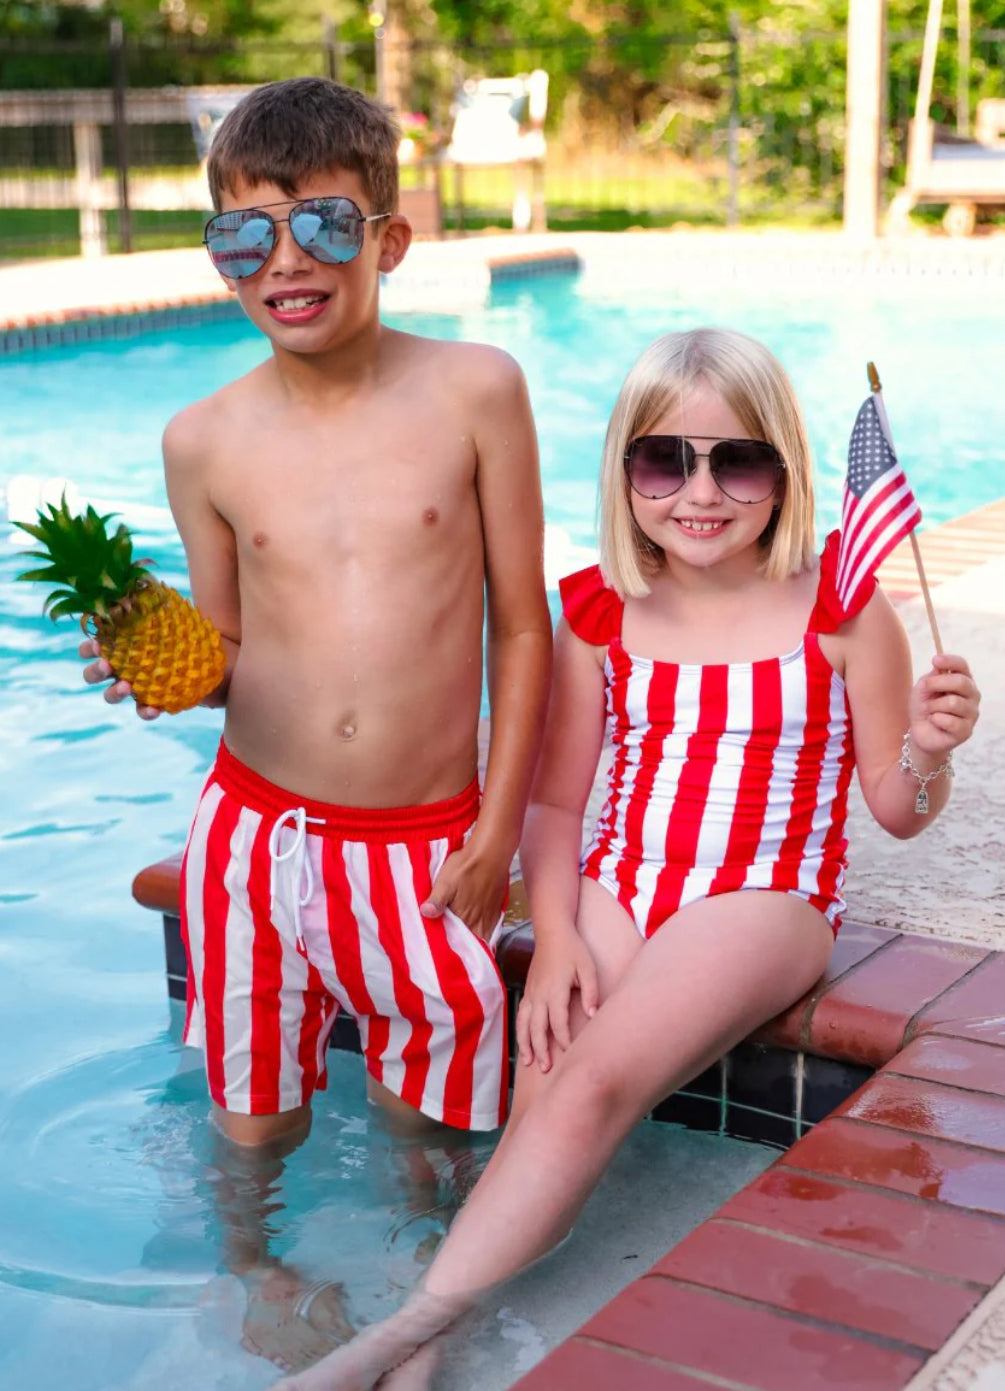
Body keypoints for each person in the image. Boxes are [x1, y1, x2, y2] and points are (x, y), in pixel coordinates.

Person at [272, 326, 981, 1391]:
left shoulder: (838, 605)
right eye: (665, 459)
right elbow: (559, 800)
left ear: (783, 471)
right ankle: (423, 1358)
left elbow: (897, 807)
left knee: (597, 1076)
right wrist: (555, 934)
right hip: (624, 880)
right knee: (544, 1075)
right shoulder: (601, 612)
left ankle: (384, 1342)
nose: (700, 491)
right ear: (626, 472)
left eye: (736, 459)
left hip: (763, 892)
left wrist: (927, 750)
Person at [79, 75, 552, 1370]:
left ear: (390, 239)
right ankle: (254, 1268)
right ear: (220, 258)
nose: (285, 262)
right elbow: (229, 659)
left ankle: (420, 1284)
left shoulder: (475, 391)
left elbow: (523, 625)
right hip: (255, 840)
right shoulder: (205, 439)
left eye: (325, 227)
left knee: (425, 1095)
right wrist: (166, 665)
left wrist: (501, 822)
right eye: (247, 237)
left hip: (427, 840)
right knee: (255, 1108)